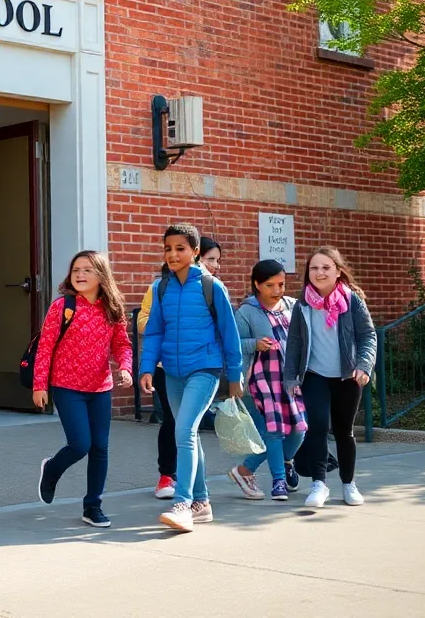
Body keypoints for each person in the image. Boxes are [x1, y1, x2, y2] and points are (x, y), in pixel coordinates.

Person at [139, 223, 243, 533]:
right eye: (168, 248)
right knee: (190, 434)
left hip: (205, 369)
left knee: (183, 430)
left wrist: (235, 375)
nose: (173, 254)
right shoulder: (162, 288)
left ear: (195, 252)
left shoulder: (212, 286)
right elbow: (155, 330)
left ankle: (182, 503)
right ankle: (202, 503)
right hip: (171, 371)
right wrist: (147, 367)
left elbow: (229, 333)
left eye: (180, 248)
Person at [34, 251, 132, 528]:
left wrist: (125, 367)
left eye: (87, 270)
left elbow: (122, 344)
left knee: (100, 448)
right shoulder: (62, 306)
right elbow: (45, 347)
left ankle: (93, 506)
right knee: (80, 444)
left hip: (100, 388)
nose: (80, 274)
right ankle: (52, 469)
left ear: (101, 275)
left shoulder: (112, 309)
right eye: (76, 269)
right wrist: (39, 384)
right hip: (66, 386)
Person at [284, 246, 376, 508]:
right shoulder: (302, 304)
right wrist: (291, 377)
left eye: (326, 267)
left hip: (347, 377)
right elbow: (295, 343)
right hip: (315, 375)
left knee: (344, 431)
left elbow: (368, 336)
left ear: (337, 271)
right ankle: (319, 483)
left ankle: (348, 484)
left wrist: (364, 366)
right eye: (314, 268)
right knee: (318, 426)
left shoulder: (352, 300)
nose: (319, 272)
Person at [228, 259, 306, 502]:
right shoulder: (246, 312)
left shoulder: (294, 306)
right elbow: (233, 346)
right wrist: (255, 344)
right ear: (257, 285)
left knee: (299, 429)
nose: (277, 291)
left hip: (291, 380)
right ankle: (278, 480)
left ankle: (253, 468)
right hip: (261, 380)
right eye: (270, 285)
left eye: (281, 284)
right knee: (273, 431)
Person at [137, 263, 176, 500]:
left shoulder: (209, 288)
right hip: (165, 366)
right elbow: (142, 321)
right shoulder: (158, 288)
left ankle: (192, 478)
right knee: (172, 419)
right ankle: (166, 475)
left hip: (197, 367)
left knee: (188, 423)